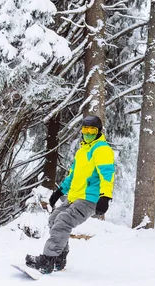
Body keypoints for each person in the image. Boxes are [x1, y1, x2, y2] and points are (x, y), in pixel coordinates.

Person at [25, 114, 115, 274]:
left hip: (90, 199)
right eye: (85, 130)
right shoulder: (82, 152)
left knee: (63, 221)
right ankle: (59, 257)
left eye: (92, 130)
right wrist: (59, 191)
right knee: (53, 219)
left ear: (98, 132)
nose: (87, 133)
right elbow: (72, 176)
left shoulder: (102, 150)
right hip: (75, 197)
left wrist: (105, 197)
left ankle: (47, 260)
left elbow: (107, 175)